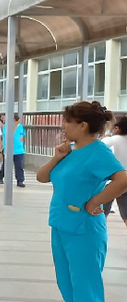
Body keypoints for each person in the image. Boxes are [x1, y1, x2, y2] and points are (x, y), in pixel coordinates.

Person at [36, 101, 127, 302]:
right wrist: (56, 158)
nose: (62, 126)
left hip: (84, 229)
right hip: (61, 225)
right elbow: (42, 177)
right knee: (66, 283)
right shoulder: (69, 150)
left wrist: (95, 202)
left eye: (67, 121)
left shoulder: (98, 152)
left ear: (83, 125)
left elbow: (123, 180)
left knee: (85, 288)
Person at [102, 116, 127, 228]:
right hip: (125, 182)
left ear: (117, 128)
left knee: (101, 213)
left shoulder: (110, 141)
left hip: (109, 183)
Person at [0, 114, 26, 187]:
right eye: (17, 120)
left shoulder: (20, 127)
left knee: (19, 166)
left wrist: (21, 144)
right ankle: (1, 176)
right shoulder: (6, 127)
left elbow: (22, 136)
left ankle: (20, 180)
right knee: (6, 165)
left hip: (19, 150)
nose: (18, 122)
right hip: (8, 149)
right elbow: (6, 136)